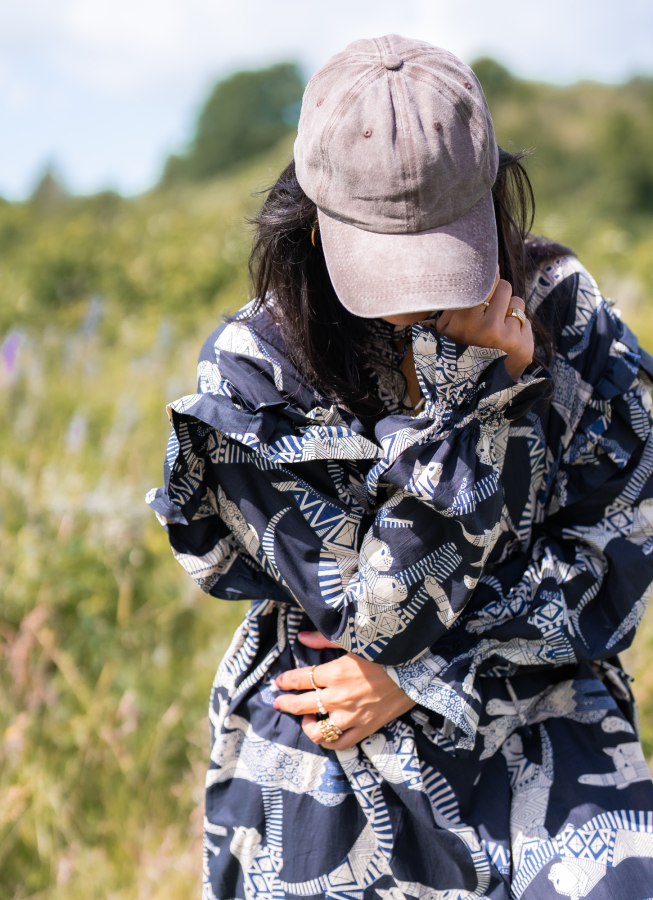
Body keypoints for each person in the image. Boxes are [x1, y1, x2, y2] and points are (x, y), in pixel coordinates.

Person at [147, 34, 653, 899]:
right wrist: (472, 406)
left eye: (443, 250)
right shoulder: (256, 373)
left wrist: (423, 678)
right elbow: (376, 620)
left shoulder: (563, 309)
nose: (418, 297)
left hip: (539, 702)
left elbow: (620, 559)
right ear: (313, 221)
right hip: (334, 720)